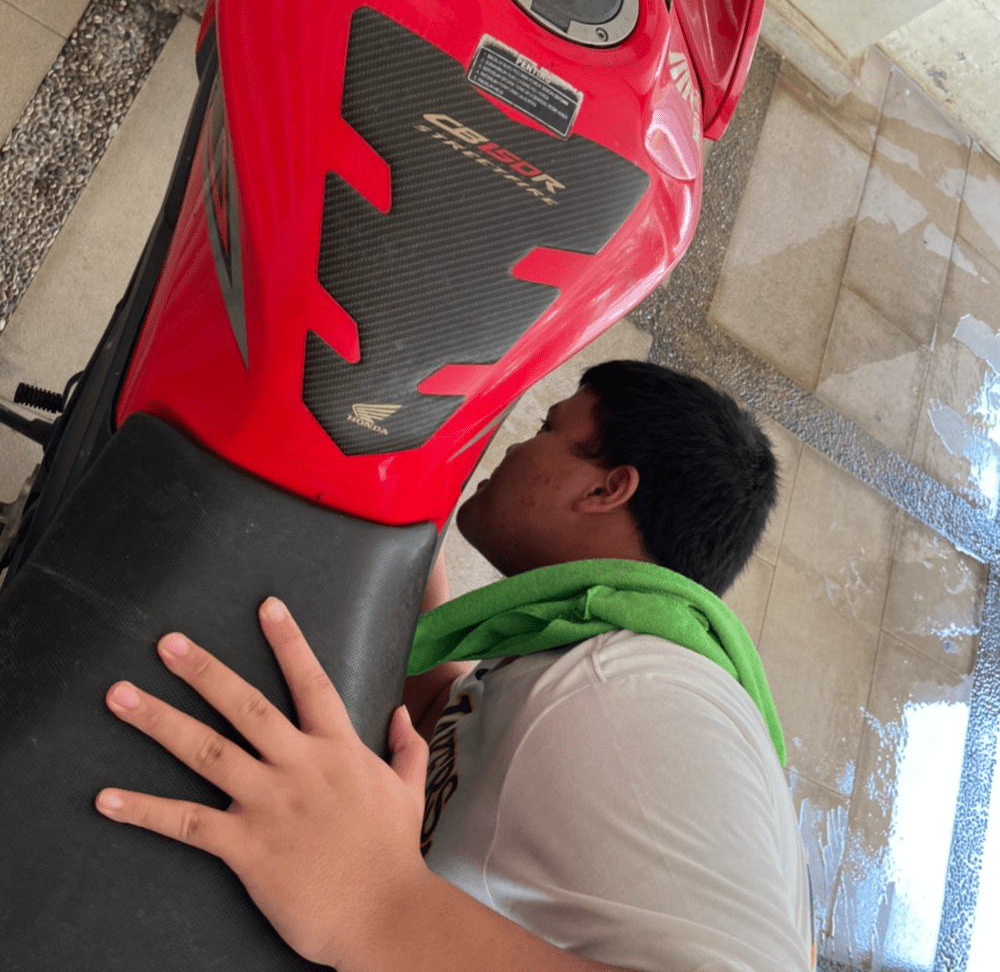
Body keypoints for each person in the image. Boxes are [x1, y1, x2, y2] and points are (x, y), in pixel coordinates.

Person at [94, 361, 813, 972]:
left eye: (547, 429)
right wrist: (405, 544)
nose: (517, 446)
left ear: (604, 490)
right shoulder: (585, 652)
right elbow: (463, 741)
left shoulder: (645, 693)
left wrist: (377, 903)